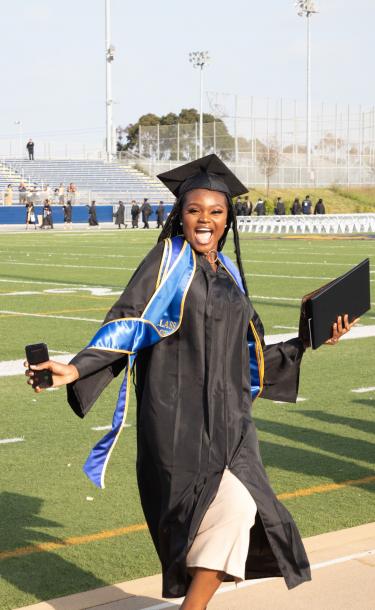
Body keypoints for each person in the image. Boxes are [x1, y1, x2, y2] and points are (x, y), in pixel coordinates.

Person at [25, 154, 357, 610]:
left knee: (241, 510)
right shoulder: (168, 262)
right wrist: (77, 368)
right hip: (177, 420)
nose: (205, 219)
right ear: (179, 215)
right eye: (194, 209)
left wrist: (309, 338)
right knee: (201, 519)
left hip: (231, 423)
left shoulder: (230, 274)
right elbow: (129, 322)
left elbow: (249, 357)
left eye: (216, 212)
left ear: (228, 220)